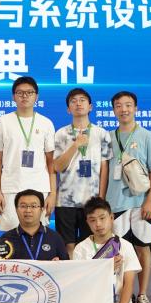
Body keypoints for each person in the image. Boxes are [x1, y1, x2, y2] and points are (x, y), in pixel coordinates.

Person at [100, 91, 151, 303]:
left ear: (135, 108)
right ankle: (119, 294)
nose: (123, 109)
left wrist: (150, 200)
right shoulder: (108, 137)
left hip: (140, 203)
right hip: (114, 203)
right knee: (116, 251)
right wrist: (102, 201)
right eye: (119, 105)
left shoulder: (146, 136)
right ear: (113, 110)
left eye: (128, 105)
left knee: (142, 248)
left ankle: (142, 294)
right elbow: (105, 171)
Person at [0, 76, 56, 233]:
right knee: (11, 235)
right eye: (20, 93)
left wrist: (52, 194)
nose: (24, 96)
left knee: (39, 234)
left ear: (36, 96)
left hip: (39, 188)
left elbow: (51, 163)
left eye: (29, 92)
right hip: (10, 188)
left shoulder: (46, 123)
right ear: (13, 97)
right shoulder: (2, 122)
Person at [53, 88, 111, 256]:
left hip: (91, 201)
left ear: (90, 106)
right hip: (65, 201)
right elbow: (57, 167)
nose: (78, 103)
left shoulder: (101, 133)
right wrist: (75, 145)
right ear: (68, 109)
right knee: (68, 247)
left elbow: (104, 167)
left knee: (91, 246)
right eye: (74, 101)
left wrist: (101, 197)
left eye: (82, 100)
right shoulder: (61, 134)